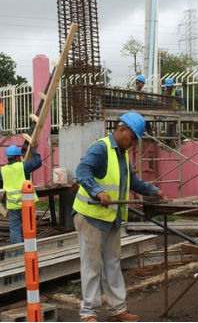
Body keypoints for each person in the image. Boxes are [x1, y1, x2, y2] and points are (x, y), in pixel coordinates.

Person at [73, 112, 167, 322]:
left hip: (111, 217)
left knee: (113, 263)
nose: (133, 143)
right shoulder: (101, 148)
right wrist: (97, 191)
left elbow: (131, 181)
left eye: (135, 140)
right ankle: (88, 313)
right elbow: (83, 170)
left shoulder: (122, 153)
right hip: (91, 216)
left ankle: (118, 309)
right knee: (92, 265)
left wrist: (152, 190)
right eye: (132, 138)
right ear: (122, 129)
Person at [0, 143, 42, 244]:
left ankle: (16, 250)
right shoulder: (23, 166)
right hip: (26, 204)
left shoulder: (2, 171)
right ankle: (29, 247)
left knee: (14, 228)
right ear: (17, 157)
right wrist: (34, 150)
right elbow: (38, 162)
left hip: (12, 205)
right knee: (28, 226)